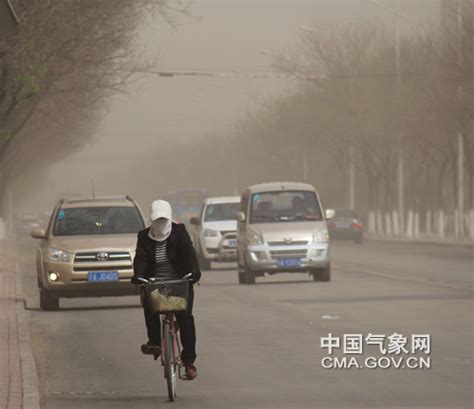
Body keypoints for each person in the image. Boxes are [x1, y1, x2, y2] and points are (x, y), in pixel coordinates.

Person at [131, 199, 201, 380]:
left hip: (180, 283)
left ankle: (189, 361)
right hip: (155, 284)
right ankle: (154, 341)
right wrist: (138, 275)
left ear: (170, 219)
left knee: (185, 318)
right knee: (150, 307)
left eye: (163, 220)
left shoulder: (179, 233)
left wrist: (194, 273)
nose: (160, 224)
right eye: (157, 220)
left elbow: (189, 254)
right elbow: (141, 259)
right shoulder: (144, 237)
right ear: (151, 220)